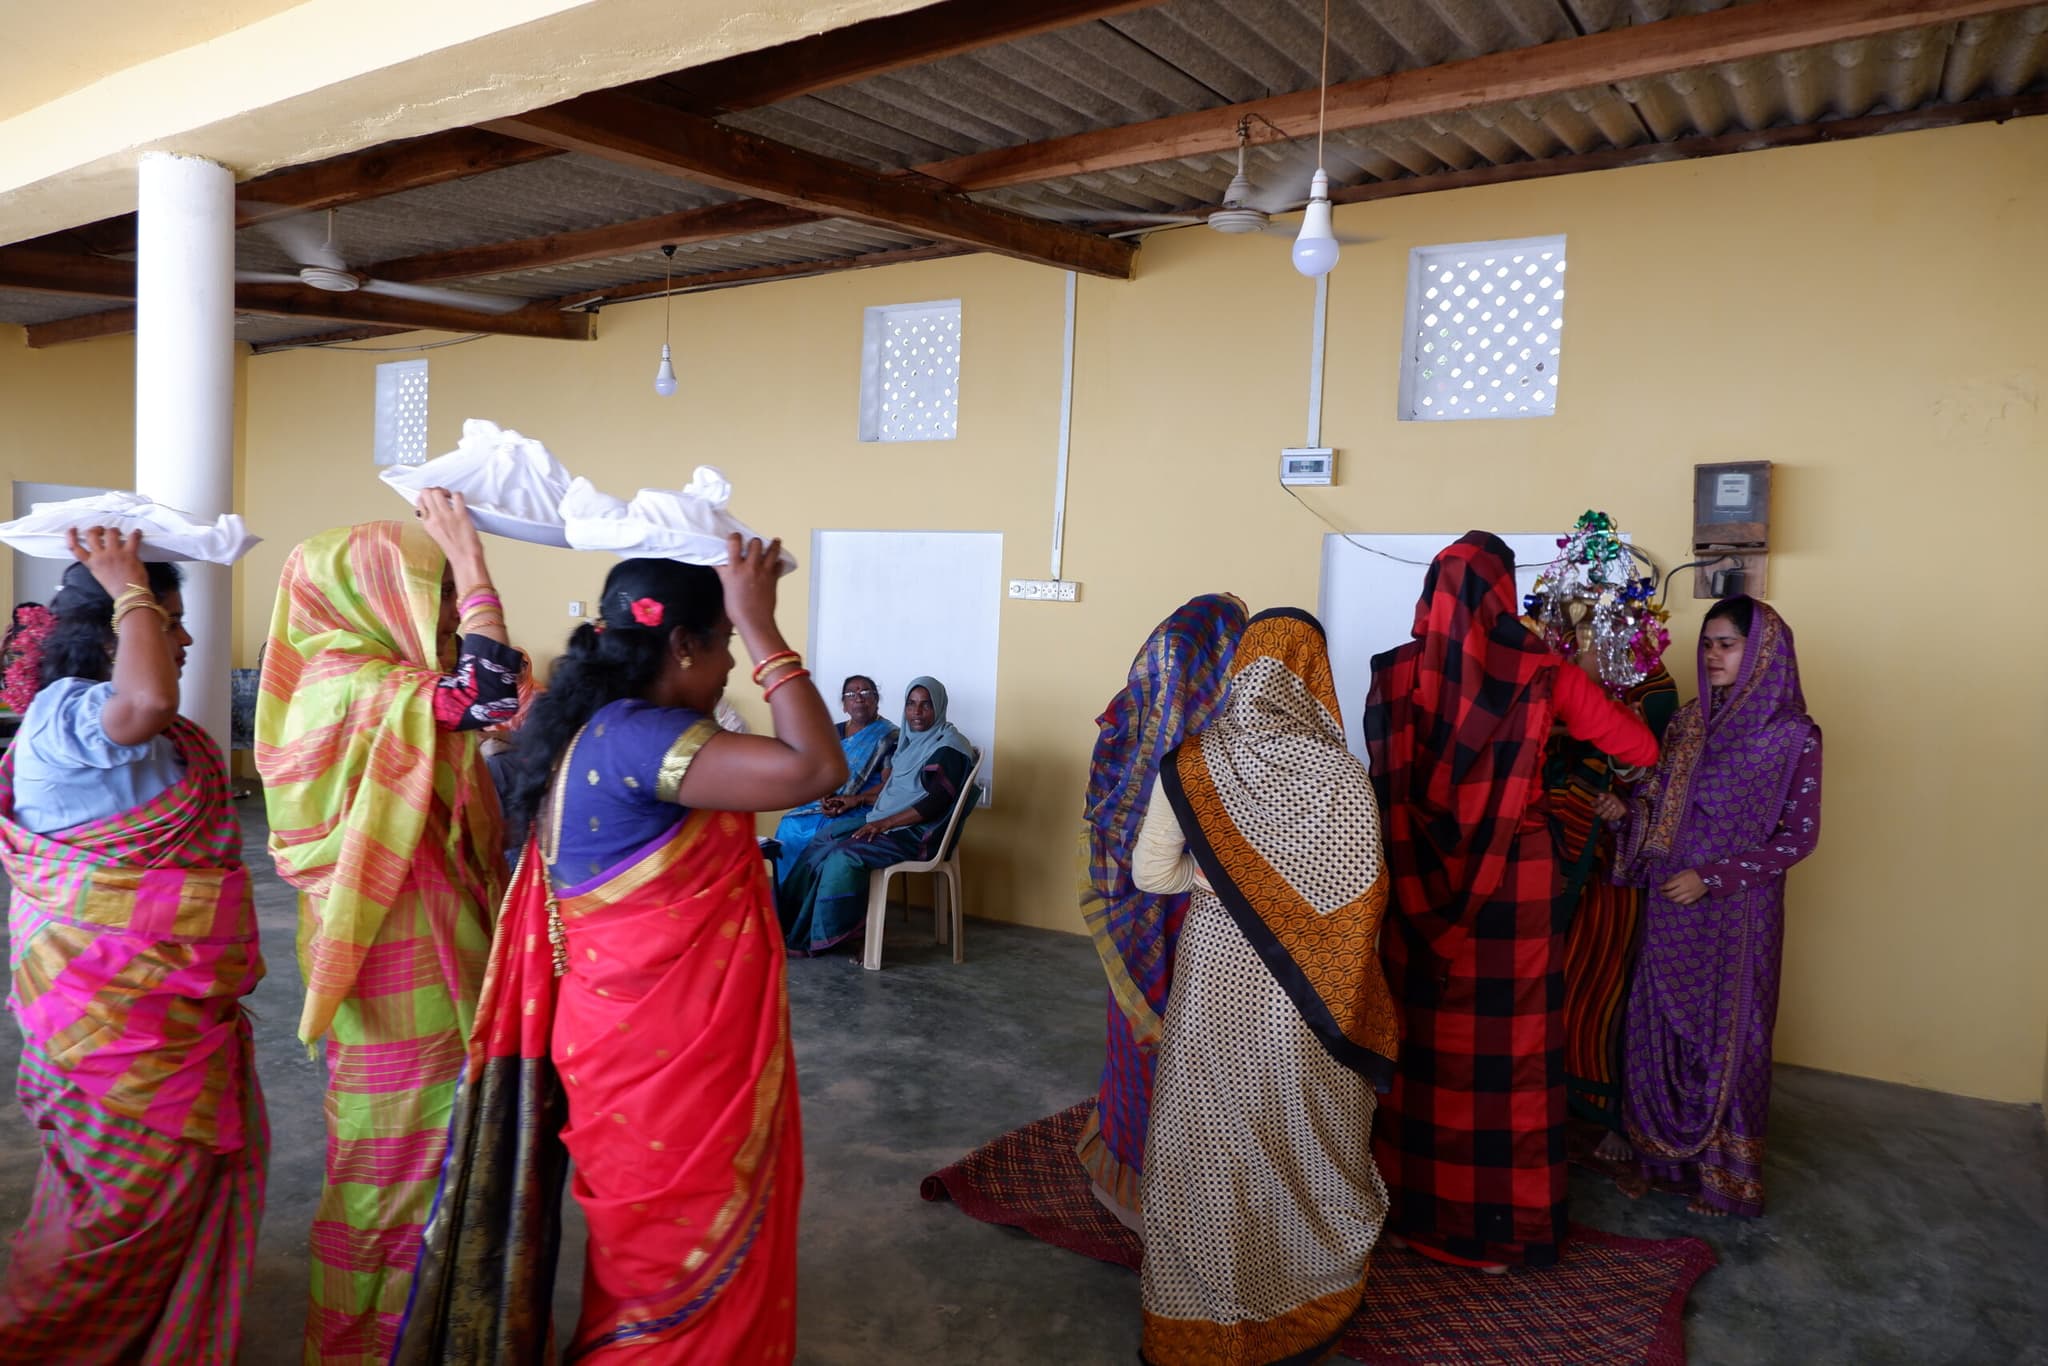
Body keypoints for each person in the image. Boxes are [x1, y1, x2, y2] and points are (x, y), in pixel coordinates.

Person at [395, 534, 845, 1364]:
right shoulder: (645, 739)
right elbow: (815, 768)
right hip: (666, 1054)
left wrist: (739, 620)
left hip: (624, 1039)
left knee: (647, 1260)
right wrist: (762, 623)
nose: (727, 671)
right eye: (721, 648)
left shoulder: (602, 727)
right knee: (672, 1264)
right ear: (684, 644)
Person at [257, 490, 524, 1364]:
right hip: (391, 959)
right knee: (389, 1162)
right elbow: (484, 694)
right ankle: (373, 1339)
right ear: (372, 598)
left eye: (449, 593)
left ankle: (432, 1324)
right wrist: (474, 558)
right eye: (433, 592)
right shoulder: (352, 687)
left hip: (415, 943)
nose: (447, 612)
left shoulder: (385, 685)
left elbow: (486, 694)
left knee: (426, 1153)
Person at [0, 530, 265, 1363]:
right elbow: (142, 703)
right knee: (103, 1226)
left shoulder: (158, 739)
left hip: (170, 1017)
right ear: (112, 629)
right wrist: (128, 583)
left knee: (155, 1207)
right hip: (107, 1028)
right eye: (168, 620)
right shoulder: (66, 714)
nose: (185, 639)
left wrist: (135, 598)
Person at [1364, 532, 1658, 1271]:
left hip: (1414, 884)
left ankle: (1405, 1211)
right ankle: (1496, 1232)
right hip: (1509, 889)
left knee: (1419, 1043)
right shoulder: (1543, 677)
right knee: (1505, 1057)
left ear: (1430, 595)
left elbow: (1385, 783)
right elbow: (1642, 750)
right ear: (1501, 596)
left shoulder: (1391, 677)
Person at [1132, 608, 1399, 1365]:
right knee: (1296, 1125)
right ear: (1314, 679)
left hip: (1216, 970)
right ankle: (1300, 1286)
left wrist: (1221, 889)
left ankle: (1196, 1310)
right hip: (1309, 996)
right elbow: (1362, 902)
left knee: (1208, 1133)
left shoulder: (1192, 762)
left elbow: (1150, 874)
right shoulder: (1342, 775)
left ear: (1241, 671)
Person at [1593, 597, 1821, 1216]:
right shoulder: (1686, 725)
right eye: (1709, 644)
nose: (1714, 655)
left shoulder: (1792, 736)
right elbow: (1660, 809)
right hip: (1672, 901)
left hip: (1739, 915)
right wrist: (1625, 817)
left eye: (1729, 644)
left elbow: (1798, 837)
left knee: (1732, 1035)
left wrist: (1713, 878)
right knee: (1657, 1022)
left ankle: (1726, 1178)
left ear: (1764, 654)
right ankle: (1658, 1157)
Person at [1074, 594, 1246, 1232]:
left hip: (1133, 906)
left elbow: (1105, 816)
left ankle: (1130, 1175)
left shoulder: (1131, 718)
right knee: (1197, 1048)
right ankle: (1182, 1194)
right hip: (1197, 910)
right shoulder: (1222, 742)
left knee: (1140, 1030)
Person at [1549, 657, 1679, 1133]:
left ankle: (1610, 1112)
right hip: (1557, 844)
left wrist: (1624, 805)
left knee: (1604, 981)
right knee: (1553, 979)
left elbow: (1658, 769)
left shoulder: (1654, 684)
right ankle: (1555, 1096)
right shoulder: (1551, 668)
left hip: (1616, 857)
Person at [776, 677, 977, 955]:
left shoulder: (950, 746)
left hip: (920, 833)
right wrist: (854, 801)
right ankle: (790, 925)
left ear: (940, 707)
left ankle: (836, 935)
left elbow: (935, 804)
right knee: (825, 838)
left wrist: (884, 823)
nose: (917, 713)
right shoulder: (912, 743)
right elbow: (894, 791)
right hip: (889, 819)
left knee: (843, 856)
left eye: (926, 705)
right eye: (911, 705)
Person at [769, 673, 898, 888]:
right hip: (828, 801)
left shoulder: (888, 737)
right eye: (851, 694)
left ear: (876, 700)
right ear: (844, 705)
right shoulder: (833, 732)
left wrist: (853, 799)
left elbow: (890, 784)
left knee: (824, 832)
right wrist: (824, 796)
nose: (858, 698)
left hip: (864, 805)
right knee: (789, 825)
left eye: (865, 692)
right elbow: (817, 769)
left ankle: (816, 902)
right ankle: (787, 899)